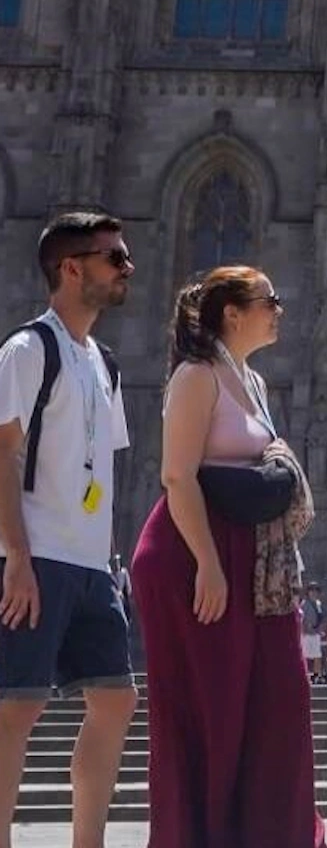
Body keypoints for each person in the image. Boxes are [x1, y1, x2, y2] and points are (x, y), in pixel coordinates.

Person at [128, 262, 321, 848]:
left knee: (279, 704)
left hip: (256, 560)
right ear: (232, 314)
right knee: (209, 710)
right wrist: (208, 563)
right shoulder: (196, 375)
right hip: (192, 552)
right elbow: (177, 476)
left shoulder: (252, 379)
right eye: (270, 300)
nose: (279, 309)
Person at [0, 212, 138, 848]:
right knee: (17, 709)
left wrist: (110, 559)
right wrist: (17, 556)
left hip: (89, 565)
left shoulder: (103, 363)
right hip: (38, 556)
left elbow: (100, 466)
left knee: (115, 700)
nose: (125, 266)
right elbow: (3, 452)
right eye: (112, 257)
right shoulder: (30, 349)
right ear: (71, 268)